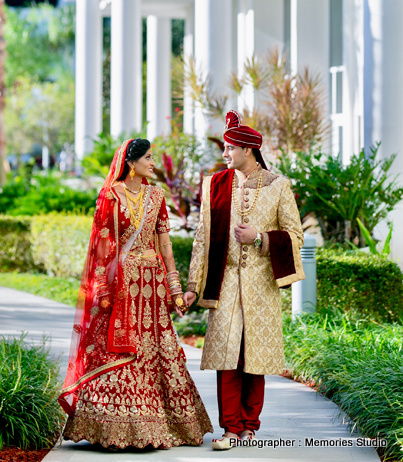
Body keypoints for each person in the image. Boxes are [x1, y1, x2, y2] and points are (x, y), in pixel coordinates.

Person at [59, 138, 213, 450]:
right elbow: (102, 243)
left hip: (152, 285)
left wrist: (175, 288)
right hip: (121, 286)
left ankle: (161, 423)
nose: (153, 163)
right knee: (117, 348)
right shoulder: (110, 195)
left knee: (157, 348)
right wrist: (101, 285)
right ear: (132, 162)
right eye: (148, 158)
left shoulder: (157, 196)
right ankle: (112, 427)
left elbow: (165, 244)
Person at [183, 110, 305, 450]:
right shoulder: (215, 185)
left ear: (247, 150)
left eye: (229, 148)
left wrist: (260, 238)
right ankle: (231, 430)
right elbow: (202, 239)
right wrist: (193, 285)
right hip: (224, 285)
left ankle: (250, 427)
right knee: (227, 359)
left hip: (262, 287)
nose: (224, 154)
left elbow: (295, 235)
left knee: (255, 359)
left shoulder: (278, 186)